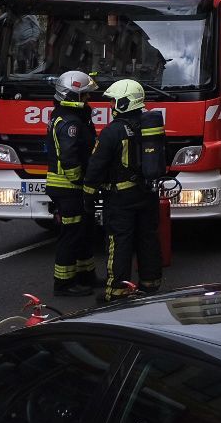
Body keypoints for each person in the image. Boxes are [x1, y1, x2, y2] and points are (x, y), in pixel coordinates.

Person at [86, 78, 165, 299]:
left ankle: (117, 291)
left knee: (120, 242)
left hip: (120, 198)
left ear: (124, 102)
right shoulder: (151, 126)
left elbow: (96, 165)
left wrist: (88, 193)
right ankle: (150, 284)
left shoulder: (113, 131)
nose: (111, 105)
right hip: (147, 193)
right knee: (147, 238)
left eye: (114, 101)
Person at [45, 70, 99, 297]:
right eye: (85, 95)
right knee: (71, 234)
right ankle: (64, 283)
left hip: (72, 187)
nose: (88, 98)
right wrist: (81, 181)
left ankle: (86, 275)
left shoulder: (73, 117)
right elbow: (69, 157)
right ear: (72, 95)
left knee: (84, 230)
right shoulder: (69, 122)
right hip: (68, 187)